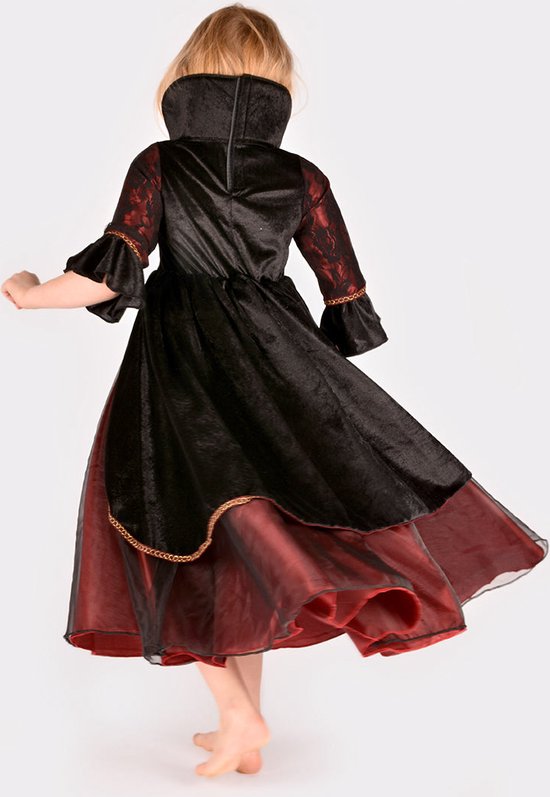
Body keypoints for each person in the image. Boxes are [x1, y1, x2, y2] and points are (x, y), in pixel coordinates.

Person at [2, 2, 548, 781]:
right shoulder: (301, 177)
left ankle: (237, 710)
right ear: (277, 81)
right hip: (276, 366)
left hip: (182, 376)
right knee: (242, 540)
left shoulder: (162, 164)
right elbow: (345, 293)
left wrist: (28, 292)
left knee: (162, 527)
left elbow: (110, 276)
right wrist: (312, 383)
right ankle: (245, 730)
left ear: (186, 72)